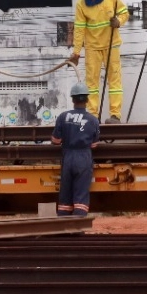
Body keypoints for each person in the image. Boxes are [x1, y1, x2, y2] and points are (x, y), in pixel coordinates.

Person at [68, 0, 128, 121]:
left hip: (111, 45)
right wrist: (76, 53)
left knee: (114, 81)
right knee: (92, 84)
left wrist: (119, 21)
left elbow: (124, 12)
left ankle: (115, 114)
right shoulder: (81, 4)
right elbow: (79, 29)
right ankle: (93, 116)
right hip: (92, 47)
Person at [51, 82, 99, 217]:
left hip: (68, 157)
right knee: (81, 195)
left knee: (65, 194)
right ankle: (78, 227)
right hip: (83, 158)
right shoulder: (93, 120)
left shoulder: (63, 117)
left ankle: (64, 226)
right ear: (87, 100)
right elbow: (94, 145)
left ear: (72, 99)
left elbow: (56, 141)